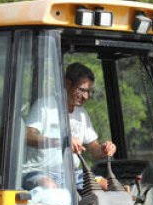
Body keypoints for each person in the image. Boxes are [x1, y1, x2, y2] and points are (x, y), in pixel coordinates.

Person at [23, 62, 117, 190]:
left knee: (108, 186)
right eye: (82, 90)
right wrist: (61, 141)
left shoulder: (82, 114)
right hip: (38, 172)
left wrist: (105, 149)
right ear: (67, 84)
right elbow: (27, 136)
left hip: (71, 174)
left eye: (89, 91)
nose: (86, 96)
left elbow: (94, 148)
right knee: (50, 187)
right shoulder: (45, 106)